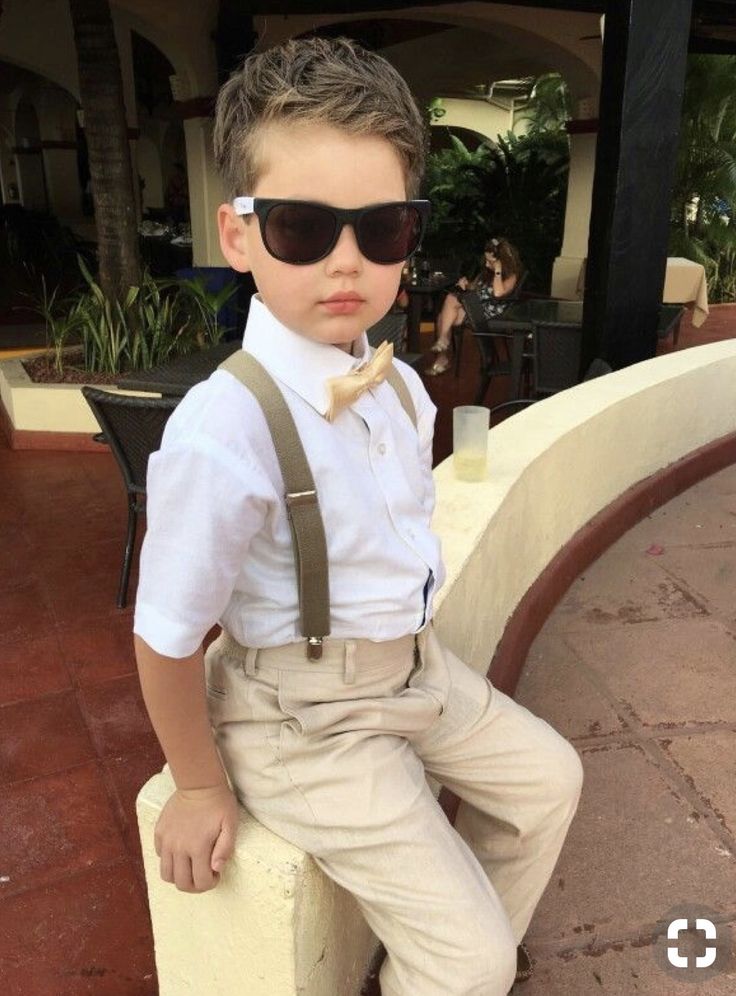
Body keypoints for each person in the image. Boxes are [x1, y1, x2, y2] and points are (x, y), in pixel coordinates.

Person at [133, 37, 582, 996]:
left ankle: (459, 966)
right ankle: (464, 966)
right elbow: (166, 636)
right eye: (302, 227)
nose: (347, 262)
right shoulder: (225, 430)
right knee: (471, 960)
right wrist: (200, 784)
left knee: (551, 782)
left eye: (381, 228)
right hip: (303, 719)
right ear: (240, 234)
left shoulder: (395, 386)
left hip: (409, 668)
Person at [425, 237, 523, 376]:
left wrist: (498, 270)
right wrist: (466, 284)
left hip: (489, 311)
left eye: (490, 261)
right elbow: (476, 288)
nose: (487, 265)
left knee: (450, 301)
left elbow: (498, 292)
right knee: (444, 315)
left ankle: (443, 352)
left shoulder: (511, 275)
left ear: (502, 262)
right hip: (475, 306)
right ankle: (443, 352)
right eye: (486, 260)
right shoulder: (486, 272)